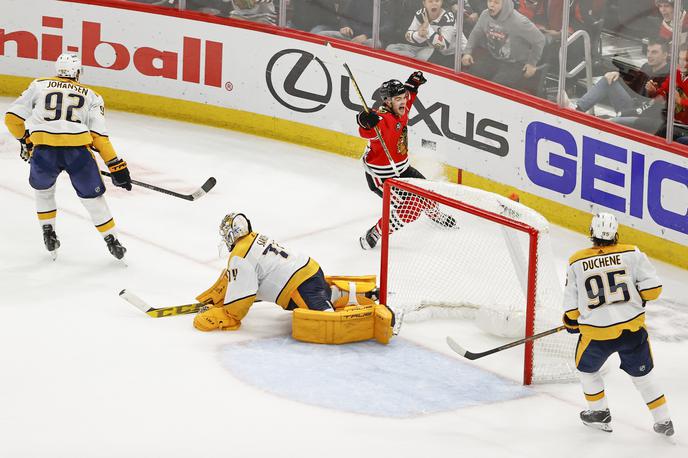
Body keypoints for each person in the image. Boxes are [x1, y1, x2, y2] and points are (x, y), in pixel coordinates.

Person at [4, 53, 131, 260]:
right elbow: (98, 137)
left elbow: (12, 119)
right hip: (77, 153)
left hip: (44, 151)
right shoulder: (92, 95)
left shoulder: (39, 85)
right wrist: (116, 165)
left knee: (44, 192)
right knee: (93, 199)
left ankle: (48, 231)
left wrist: (25, 140)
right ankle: (112, 241)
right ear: (78, 72)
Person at [193, 212, 390, 342]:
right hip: (311, 270)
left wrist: (226, 314)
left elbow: (242, 299)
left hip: (298, 287)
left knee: (326, 321)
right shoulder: (254, 238)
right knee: (326, 294)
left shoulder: (239, 256)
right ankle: (367, 293)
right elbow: (258, 279)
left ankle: (377, 316)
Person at [562, 212, 674, 437]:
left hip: (597, 335)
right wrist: (636, 297)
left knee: (587, 371)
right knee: (644, 378)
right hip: (632, 332)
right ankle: (664, 421)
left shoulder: (576, 262)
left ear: (591, 233)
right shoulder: (632, 253)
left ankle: (599, 413)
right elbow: (653, 290)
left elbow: (572, 312)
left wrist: (571, 323)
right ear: (616, 234)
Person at [356, 71, 456, 250]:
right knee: (411, 210)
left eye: (403, 97)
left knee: (429, 194)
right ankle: (376, 232)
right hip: (382, 177)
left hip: (403, 169)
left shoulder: (402, 109)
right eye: (397, 99)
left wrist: (412, 85)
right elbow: (366, 130)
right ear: (387, 102)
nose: (403, 101)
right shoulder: (380, 119)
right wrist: (364, 120)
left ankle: (434, 214)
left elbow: (410, 97)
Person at [569, 38, 669, 122]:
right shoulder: (647, 67)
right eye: (648, 51)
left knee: (609, 122)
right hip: (633, 107)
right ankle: (577, 110)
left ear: (665, 55)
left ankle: (613, 120)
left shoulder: (670, 76)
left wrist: (621, 115)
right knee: (608, 79)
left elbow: (654, 107)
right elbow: (633, 89)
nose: (649, 55)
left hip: (645, 118)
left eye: (654, 52)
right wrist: (617, 74)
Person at [462, 0, 546, 92]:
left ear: (504, 4)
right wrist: (467, 52)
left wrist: (531, 63)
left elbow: (540, 39)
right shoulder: (485, 15)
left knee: (496, 87)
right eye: (490, 1)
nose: (491, 5)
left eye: (496, 2)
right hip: (493, 57)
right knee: (470, 77)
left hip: (515, 63)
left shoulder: (519, 22)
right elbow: (476, 33)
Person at [386, 0, 466, 63]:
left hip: (454, 54)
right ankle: (413, 61)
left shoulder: (448, 17)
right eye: (430, 1)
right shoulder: (421, 13)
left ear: (441, 2)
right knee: (391, 48)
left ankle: (414, 62)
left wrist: (428, 29)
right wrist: (419, 34)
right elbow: (408, 35)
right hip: (432, 48)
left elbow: (443, 46)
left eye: (437, 1)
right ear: (424, 3)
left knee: (421, 58)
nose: (434, 4)